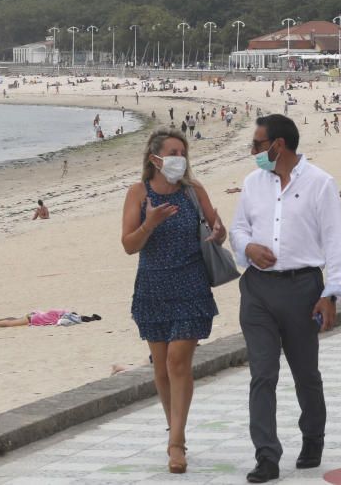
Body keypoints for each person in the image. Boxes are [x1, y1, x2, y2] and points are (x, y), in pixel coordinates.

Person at [230, 114, 341, 482]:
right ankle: (266, 455)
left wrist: (331, 294)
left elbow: (335, 241)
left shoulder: (320, 184)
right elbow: (238, 228)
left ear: (277, 146)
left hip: (303, 289)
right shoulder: (252, 183)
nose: (253, 151)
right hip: (258, 290)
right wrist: (248, 247)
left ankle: (313, 437)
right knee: (262, 374)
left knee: (305, 373)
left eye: (257, 144)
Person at [121, 127, 225, 474]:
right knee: (162, 368)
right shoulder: (138, 193)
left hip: (191, 285)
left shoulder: (193, 191)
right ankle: (174, 430)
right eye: (173, 152)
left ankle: (176, 444)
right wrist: (149, 222)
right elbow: (129, 245)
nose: (179, 158)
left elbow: (215, 229)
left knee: (179, 362)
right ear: (155, 158)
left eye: (183, 152)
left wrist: (219, 233)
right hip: (153, 288)